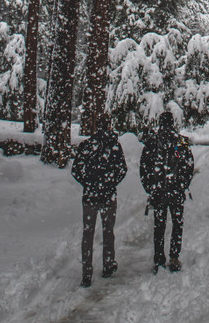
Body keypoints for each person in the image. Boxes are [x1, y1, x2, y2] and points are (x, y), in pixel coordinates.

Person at [71, 114, 128, 288]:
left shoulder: (87, 145)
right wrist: (110, 183)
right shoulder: (113, 146)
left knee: (88, 234)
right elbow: (122, 169)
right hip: (107, 196)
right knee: (108, 231)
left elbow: (76, 170)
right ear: (109, 126)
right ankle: (108, 264)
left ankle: (86, 272)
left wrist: (88, 183)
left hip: (90, 196)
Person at [139, 111, 195, 273]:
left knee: (159, 225)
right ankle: (174, 256)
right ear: (172, 123)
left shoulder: (152, 142)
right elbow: (188, 165)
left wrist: (150, 186)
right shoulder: (180, 142)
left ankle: (159, 259)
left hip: (158, 191)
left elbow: (144, 167)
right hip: (176, 191)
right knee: (177, 224)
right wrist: (183, 183)